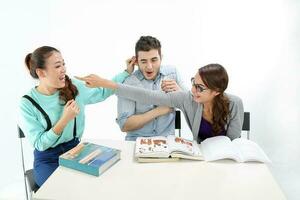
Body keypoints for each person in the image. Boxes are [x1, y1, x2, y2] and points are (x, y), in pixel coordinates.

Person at [18, 46, 134, 187]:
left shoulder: (74, 87)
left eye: (63, 64)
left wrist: (126, 72)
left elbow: (102, 92)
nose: (63, 69)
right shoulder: (27, 103)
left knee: (102, 182)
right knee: (59, 190)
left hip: (76, 151)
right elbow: (40, 144)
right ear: (41, 73)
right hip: (48, 159)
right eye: (57, 66)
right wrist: (65, 119)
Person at [76, 63, 244, 143]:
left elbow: (233, 141)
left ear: (216, 92)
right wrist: (105, 83)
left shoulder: (235, 104)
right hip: (201, 156)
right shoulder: (187, 99)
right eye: (193, 83)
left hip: (224, 158)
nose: (193, 90)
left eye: (199, 88)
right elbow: (146, 95)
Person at [117, 36, 187, 141]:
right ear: (136, 61)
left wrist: (180, 93)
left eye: (154, 60)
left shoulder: (173, 73)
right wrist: (159, 111)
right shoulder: (128, 82)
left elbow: (192, 105)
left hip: (167, 142)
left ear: (161, 58)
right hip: (136, 142)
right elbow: (124, 125)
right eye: (144, 61)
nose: (149, 66)